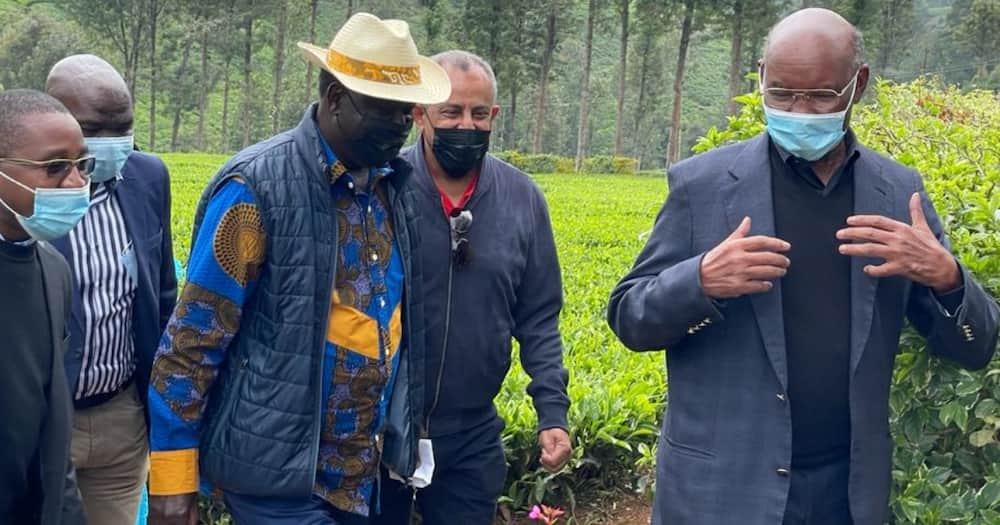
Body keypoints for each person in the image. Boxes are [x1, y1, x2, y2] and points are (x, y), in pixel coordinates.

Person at [607, 8, 999, 525]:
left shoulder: (897, 193)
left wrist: (946, 276)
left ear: (857, 85)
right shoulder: (702, 186)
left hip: (845, 494)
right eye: (782, 94)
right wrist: (700, 281)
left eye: (818, 96)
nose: (798, 110)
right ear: (762, 77)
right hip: (722, 490)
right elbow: (629, 317)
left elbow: (974, 347)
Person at [146, 12, 449, 525]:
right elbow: (190, 345)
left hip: (366, 477)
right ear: (334, 98)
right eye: (385, 110)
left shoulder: (394, 187)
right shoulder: (256, 189)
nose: (401, 125)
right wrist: (172, 484)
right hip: (281, 483)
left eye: (408, 112)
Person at [376, 50, 571, 525]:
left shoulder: (522, 199)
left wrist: (553, 412)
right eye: (451, 112)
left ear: (494, 116)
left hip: (471, 432)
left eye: (478, 114)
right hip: (379, 429)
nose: (466, 125)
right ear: (422, 113)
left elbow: (539, 317)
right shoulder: (383, 189)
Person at [44, 54, 177, 525]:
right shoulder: (29, 190)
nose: (113, 143)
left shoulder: (148, 177)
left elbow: (163, 295)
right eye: (96, 128)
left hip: (121, 415)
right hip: (44, 421)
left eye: (123, 127)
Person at [0, 89, 89, 525]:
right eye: (55, 168)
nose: (76, 183)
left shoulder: (53, 270)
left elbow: (53, 426)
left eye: (81, 166)